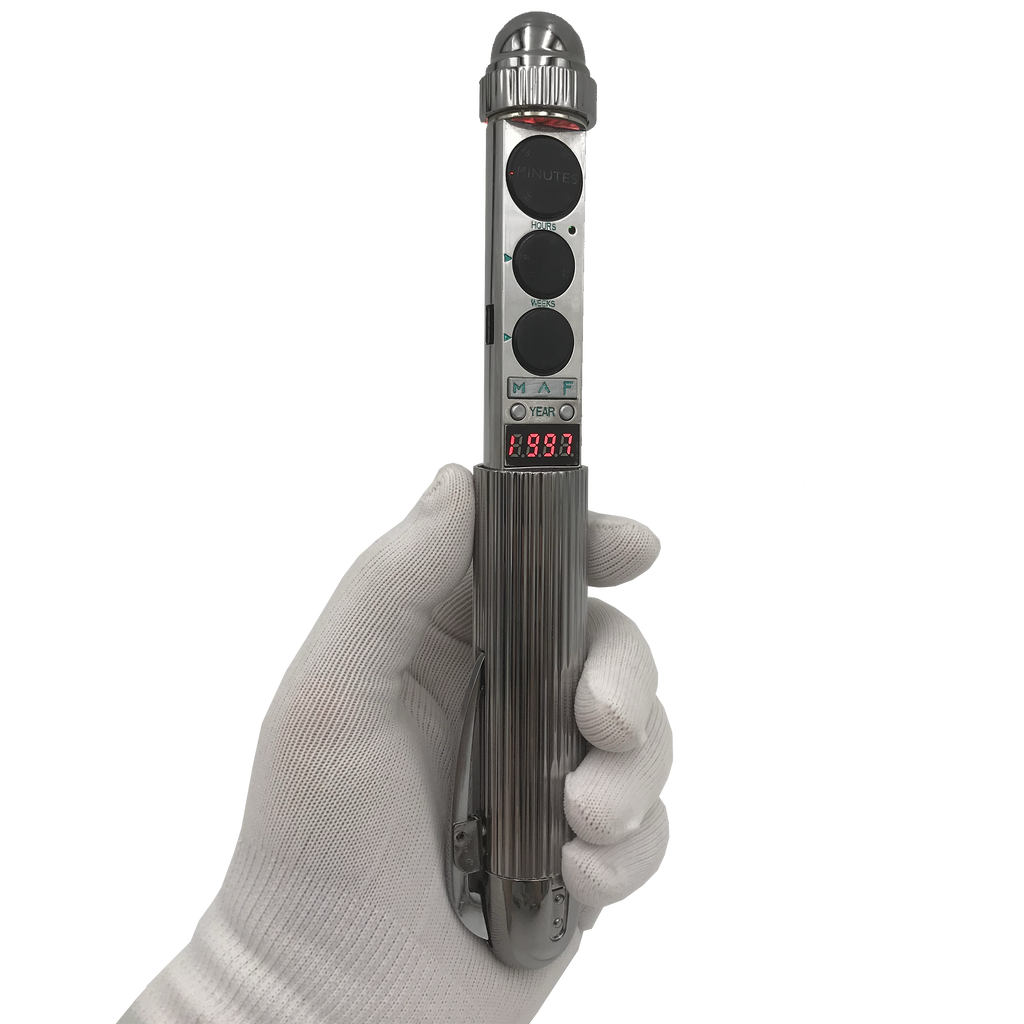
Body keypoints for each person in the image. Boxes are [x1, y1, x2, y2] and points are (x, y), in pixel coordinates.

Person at [117, 461, 674, 1023]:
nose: (541, 438)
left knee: (608, 723)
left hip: (509, 901)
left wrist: (262, 992)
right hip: (498, 899)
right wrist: (277, 982)